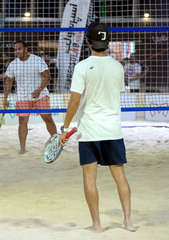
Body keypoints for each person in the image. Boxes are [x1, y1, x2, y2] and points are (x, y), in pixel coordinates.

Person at [58, 22, 137, 233]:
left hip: (90, 130)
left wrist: (64, 128)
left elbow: (74, 100)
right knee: (120, 176)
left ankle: (97, 225)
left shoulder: (82, 66)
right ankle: (128, 222)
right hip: (112, 130)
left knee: (89, 178)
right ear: (107, 41)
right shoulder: (117, 66)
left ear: (87, 42)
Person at [3, 41, 57, 154]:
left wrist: (38, 90)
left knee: (48, 118)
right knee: (22, 121)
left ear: (26, 49)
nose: (17, 51)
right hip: (23, 97)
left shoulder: (37, 60)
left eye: (19, 49)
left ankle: (57, 142)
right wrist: (5, 98)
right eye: (15, 49)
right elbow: (8, 81)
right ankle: (22, 148)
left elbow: (47, 77)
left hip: (40, 95)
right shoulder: (13, 64)